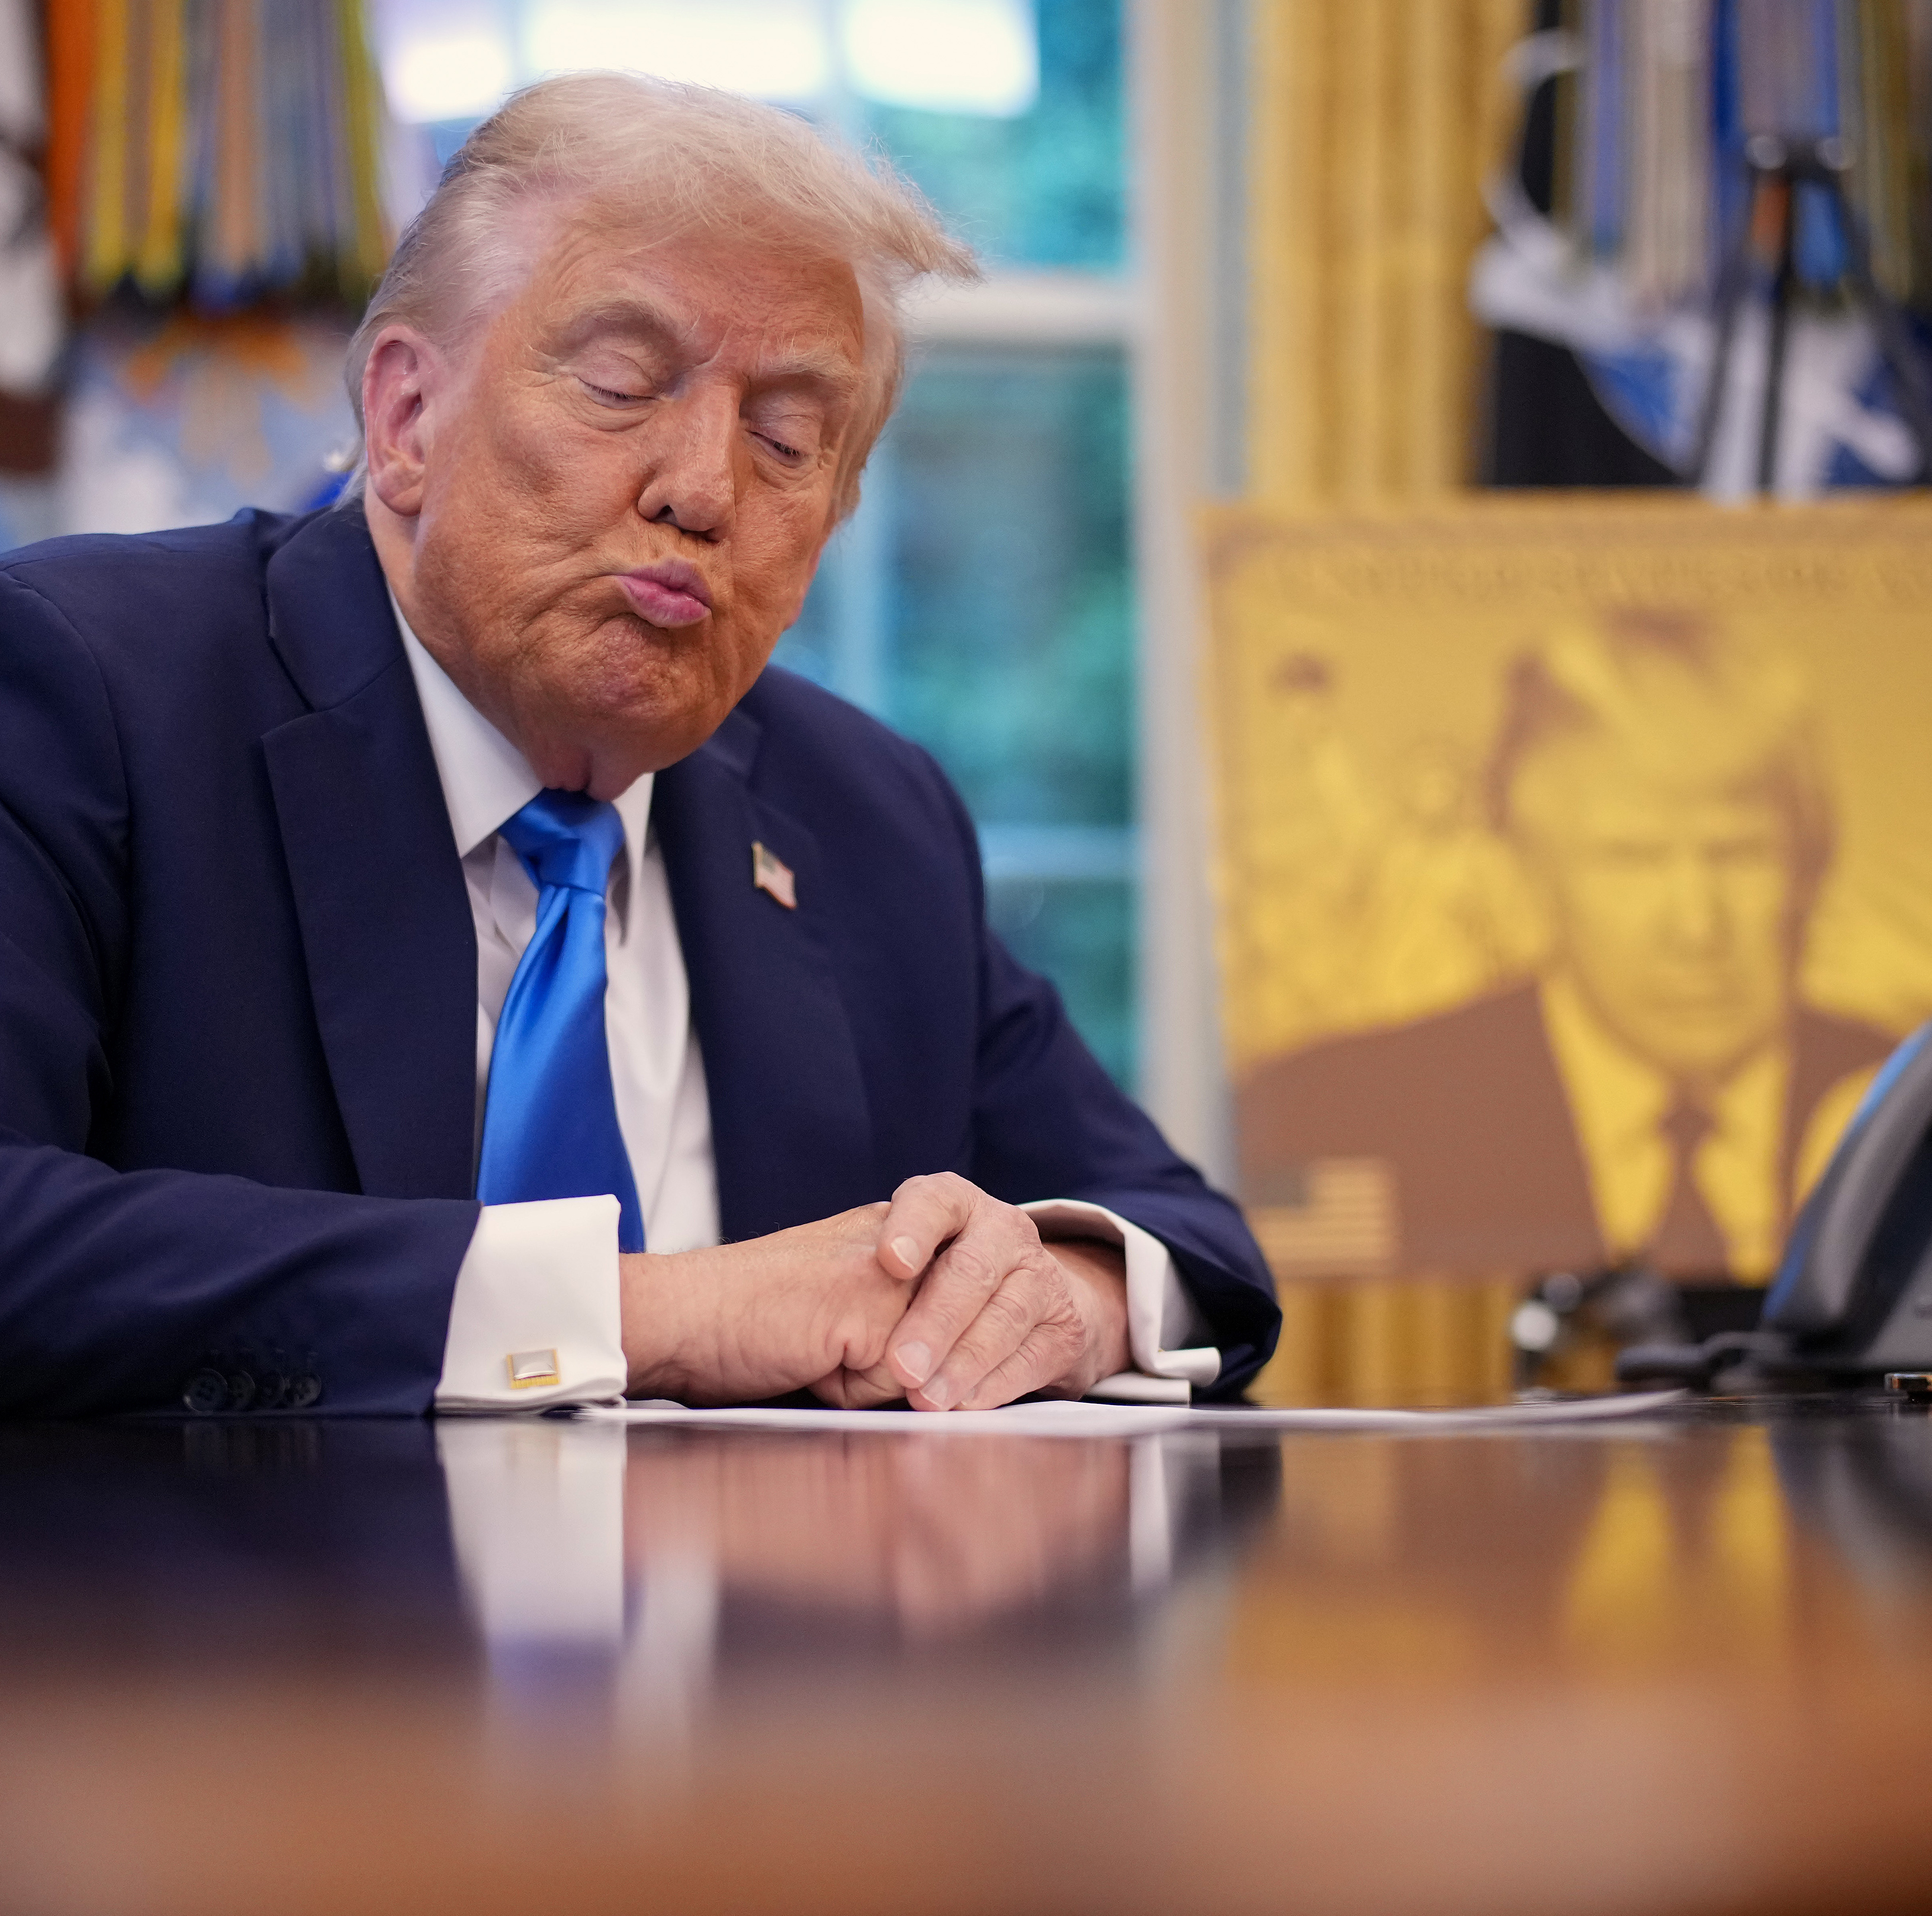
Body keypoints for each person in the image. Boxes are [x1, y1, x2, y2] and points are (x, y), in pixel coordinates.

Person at [0, 75, 1277, 1417]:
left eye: (787, 439)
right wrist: (656, 1312)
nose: (704, 489)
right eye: (621, 386)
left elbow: (1185, 1240)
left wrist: (1050, 1301)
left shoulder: (866, 815)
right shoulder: (90, 690)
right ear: (405, 419)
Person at [1240, 608, 1893, 1283]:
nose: (1696, 926)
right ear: (1533, 872)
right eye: (1631, 857)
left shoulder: (1908, 1101)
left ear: (1810, 868)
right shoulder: (1337, 1109)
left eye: (1739, 853)